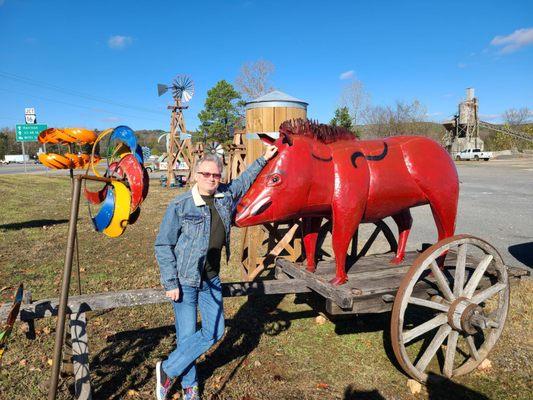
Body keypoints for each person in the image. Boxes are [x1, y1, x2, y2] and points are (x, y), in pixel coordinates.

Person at [154, 145, 278, 400]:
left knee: (215, 331)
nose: (212, 179)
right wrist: (170, 281)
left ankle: (167, 369)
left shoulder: (225, 196)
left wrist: (265, 157)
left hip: (211, 279)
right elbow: (163, 244)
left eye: (216, 175)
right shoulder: (180, 205)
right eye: (207, 174)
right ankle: (189, 386)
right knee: (187, 336)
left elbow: (244, 181)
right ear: (196, 175)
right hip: (185, 281)